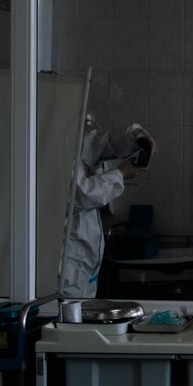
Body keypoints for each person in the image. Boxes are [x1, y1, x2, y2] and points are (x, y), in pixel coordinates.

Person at [59, 116, 155, 298]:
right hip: (67, 259)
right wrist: (121, 174)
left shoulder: (66, 138)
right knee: (69, 307)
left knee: (81, 304)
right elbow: (81, 195)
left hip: (82, 260)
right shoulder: (50, 147)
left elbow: (97, 145)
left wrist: (134, 137)